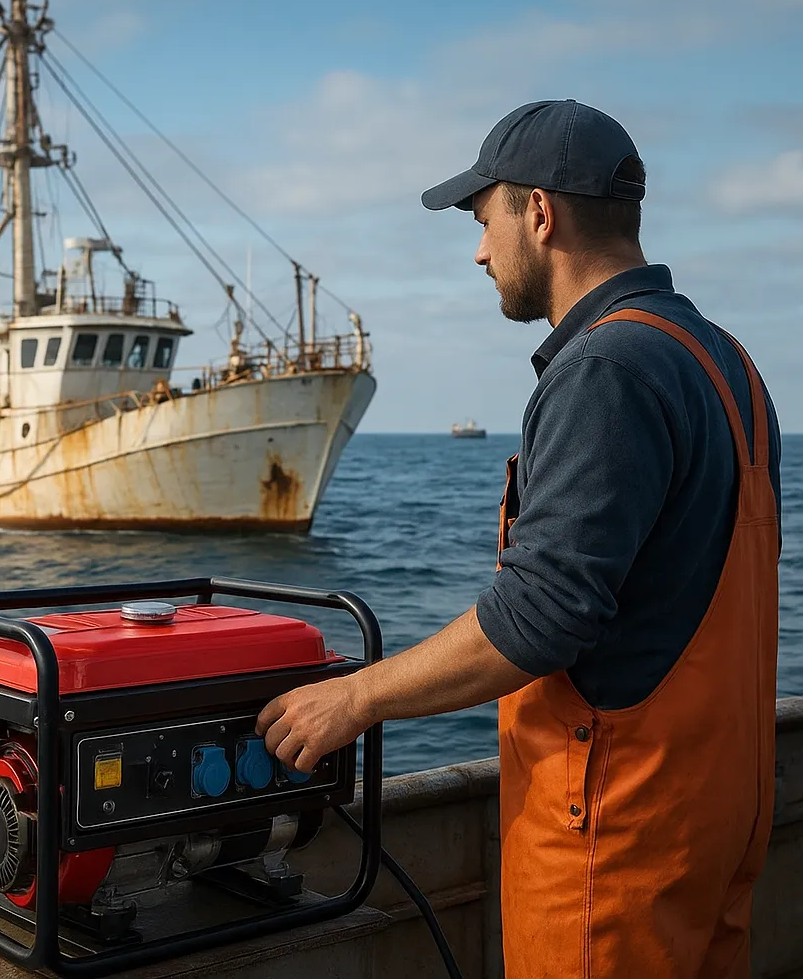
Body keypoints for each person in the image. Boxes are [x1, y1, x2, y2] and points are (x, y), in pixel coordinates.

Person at [256, 99, 781, 978]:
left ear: (540, 212)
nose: (478, 250)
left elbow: (540, 617)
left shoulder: (607, 369)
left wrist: (354, 698)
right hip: (716, 820)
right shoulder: (722, 356)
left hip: (613, 843)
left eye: (484, 217)